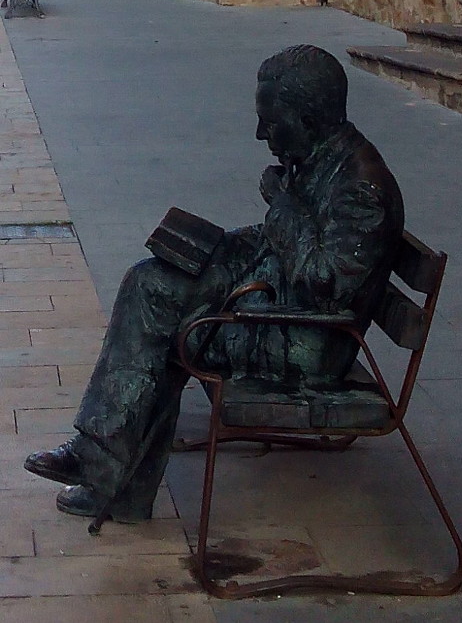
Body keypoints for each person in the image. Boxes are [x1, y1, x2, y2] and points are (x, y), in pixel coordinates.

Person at [25, 45, 404, 522]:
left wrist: (281, 205)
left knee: (162, 320)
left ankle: (106, 472)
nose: (261, 133)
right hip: (272, 302)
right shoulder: (318, 155)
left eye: (272, 120)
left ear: (308, 116)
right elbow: (287, 246)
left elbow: (321, 286)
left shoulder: (360, 188)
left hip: (306, 342)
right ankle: (107, 471)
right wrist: (217, 247)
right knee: (150, 282)